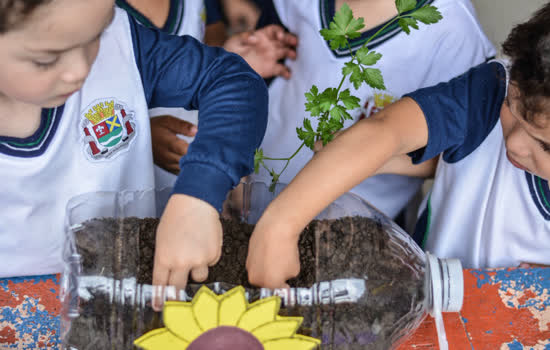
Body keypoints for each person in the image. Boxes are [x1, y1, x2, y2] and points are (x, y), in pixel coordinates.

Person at [245, 1, 550, 288]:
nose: (514, 143)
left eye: (545, 146)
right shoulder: (490, 88)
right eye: (511, 107)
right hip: (424, 304)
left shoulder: (454, 29)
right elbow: (384, 130)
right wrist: (280, 226)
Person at [0, 0, 268, 291]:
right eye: (46, 60)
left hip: (129, 303)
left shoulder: (124, 43)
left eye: (96, 36)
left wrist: (197, 198)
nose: (79, 70)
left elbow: (230, 80)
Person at [250, 0, 496, 224]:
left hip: (353, 227)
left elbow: (460, 154)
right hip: (251, 190)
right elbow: (261, 74)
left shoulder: (455, 29)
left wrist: (370, 150)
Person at [117, 0, 297, 187]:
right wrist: (141, 136)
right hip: (127, 190)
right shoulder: (96, 14)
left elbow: (211, 35)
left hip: (198, 165)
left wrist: (232, 57)